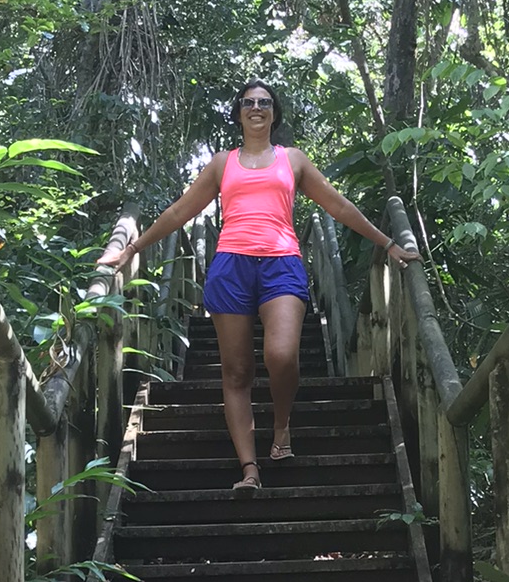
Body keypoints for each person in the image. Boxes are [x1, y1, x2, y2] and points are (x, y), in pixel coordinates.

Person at [106, 79, 419, 494]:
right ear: (238, 113)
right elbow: (182, 209)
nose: (257, 108)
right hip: (231, 266)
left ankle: (282, 424)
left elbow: (338, 205)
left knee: (282, 353)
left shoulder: (293, 160)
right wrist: (133, 248)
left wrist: (389, 243)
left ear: (274, 113)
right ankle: (250, 469)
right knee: (237, 372)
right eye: (249, 102)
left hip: (282, 263)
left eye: (265, 103)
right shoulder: (223, 163)